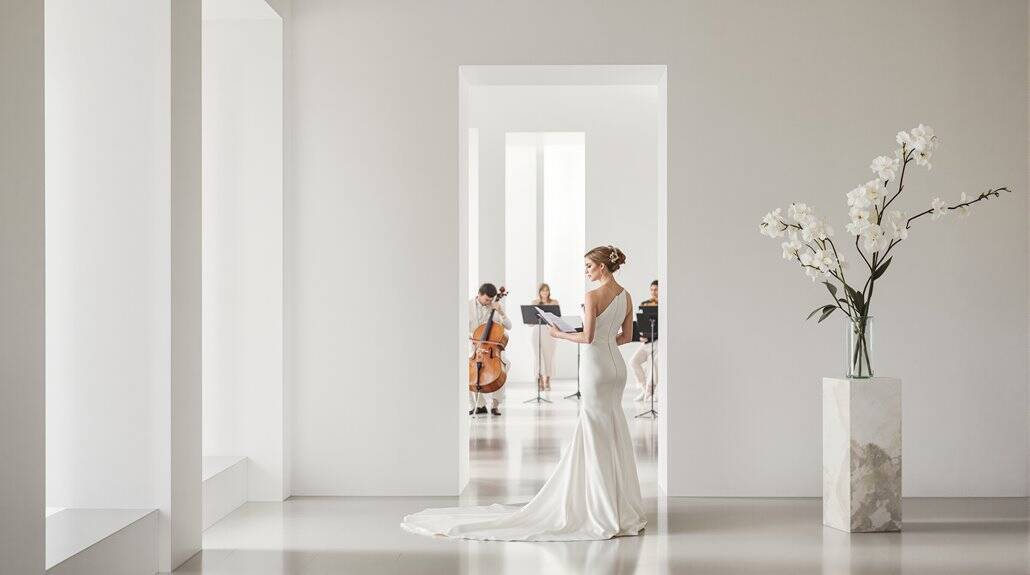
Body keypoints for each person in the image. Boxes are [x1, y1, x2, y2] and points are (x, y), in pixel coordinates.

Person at [403, 245, 646, 541]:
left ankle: (599, 506)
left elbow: (588, 337)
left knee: (595, 428)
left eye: (589, 266)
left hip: (595, 368)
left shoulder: (592, 296)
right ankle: (619, 506)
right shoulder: (626, 295)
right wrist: (605, 344)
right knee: (613, 427)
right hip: (616, 369)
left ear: (603, 267)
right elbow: (627, 337)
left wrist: (558, 333)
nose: (586, 271)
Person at [468, 283, 510, 416]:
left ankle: (495, 404)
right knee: (468, 369)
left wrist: (501, 312)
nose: (489, 303)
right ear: (479, 295)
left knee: (505, 366)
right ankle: (478, 405)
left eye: (491, 300)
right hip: (474, 347)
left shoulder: (495, 307)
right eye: (486, 300)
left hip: (492, 350)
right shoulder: (467, 306)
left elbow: (509, 326)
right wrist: (474, 339)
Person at [631, 280, 659, 401]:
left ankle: (650, 391)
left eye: (656, 289)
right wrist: (640, 335)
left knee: (653, 363)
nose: (654, 292)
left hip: (658, 342)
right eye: (652, 289)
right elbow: (642, 323)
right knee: (633, 362)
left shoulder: (665, 305)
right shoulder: (645, 304)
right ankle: (644, 389)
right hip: (646, 341)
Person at [530, 283, 558, 392]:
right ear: (539, 292)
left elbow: (557, 319)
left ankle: (548, 380)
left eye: (547, 290)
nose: (545, 292)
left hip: (550, 331)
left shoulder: (554, 303)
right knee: (538, 357)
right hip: (537, 331)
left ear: (549, 291)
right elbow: (530, 322)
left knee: (549, 357)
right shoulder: (534, 303)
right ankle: (539, 380)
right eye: (543, 290)